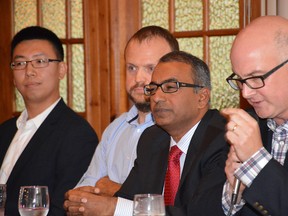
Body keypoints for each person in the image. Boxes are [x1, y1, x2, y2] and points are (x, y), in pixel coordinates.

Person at [64, 50, 229, 215]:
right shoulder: (153, 138)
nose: (156, 97)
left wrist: (111, 207)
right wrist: (93, 199)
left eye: (170, 87)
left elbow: (201, 213)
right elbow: (128, 200)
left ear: (202, 97)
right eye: (152, 88)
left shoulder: (224, 140)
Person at [0, 26, 99, 216]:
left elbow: (63, 210)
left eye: (40, 61)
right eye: (20, 63)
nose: (29, 71)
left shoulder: (78, 135)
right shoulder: (4, 132)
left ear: (62, 69)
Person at [75, 25, 179, 196]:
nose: (138, 78)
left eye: (150, 68)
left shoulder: (178, 130)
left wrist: (116, 191)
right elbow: (84, 191)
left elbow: (170, 203)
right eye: (132, 68)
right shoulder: (115, 128)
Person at [221, 16, 288, 216]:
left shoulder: (249, 140)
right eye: (240, 80)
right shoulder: (249, 126)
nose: (245, 93)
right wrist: (235, 192)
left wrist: (256, 160)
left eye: (256, 78)